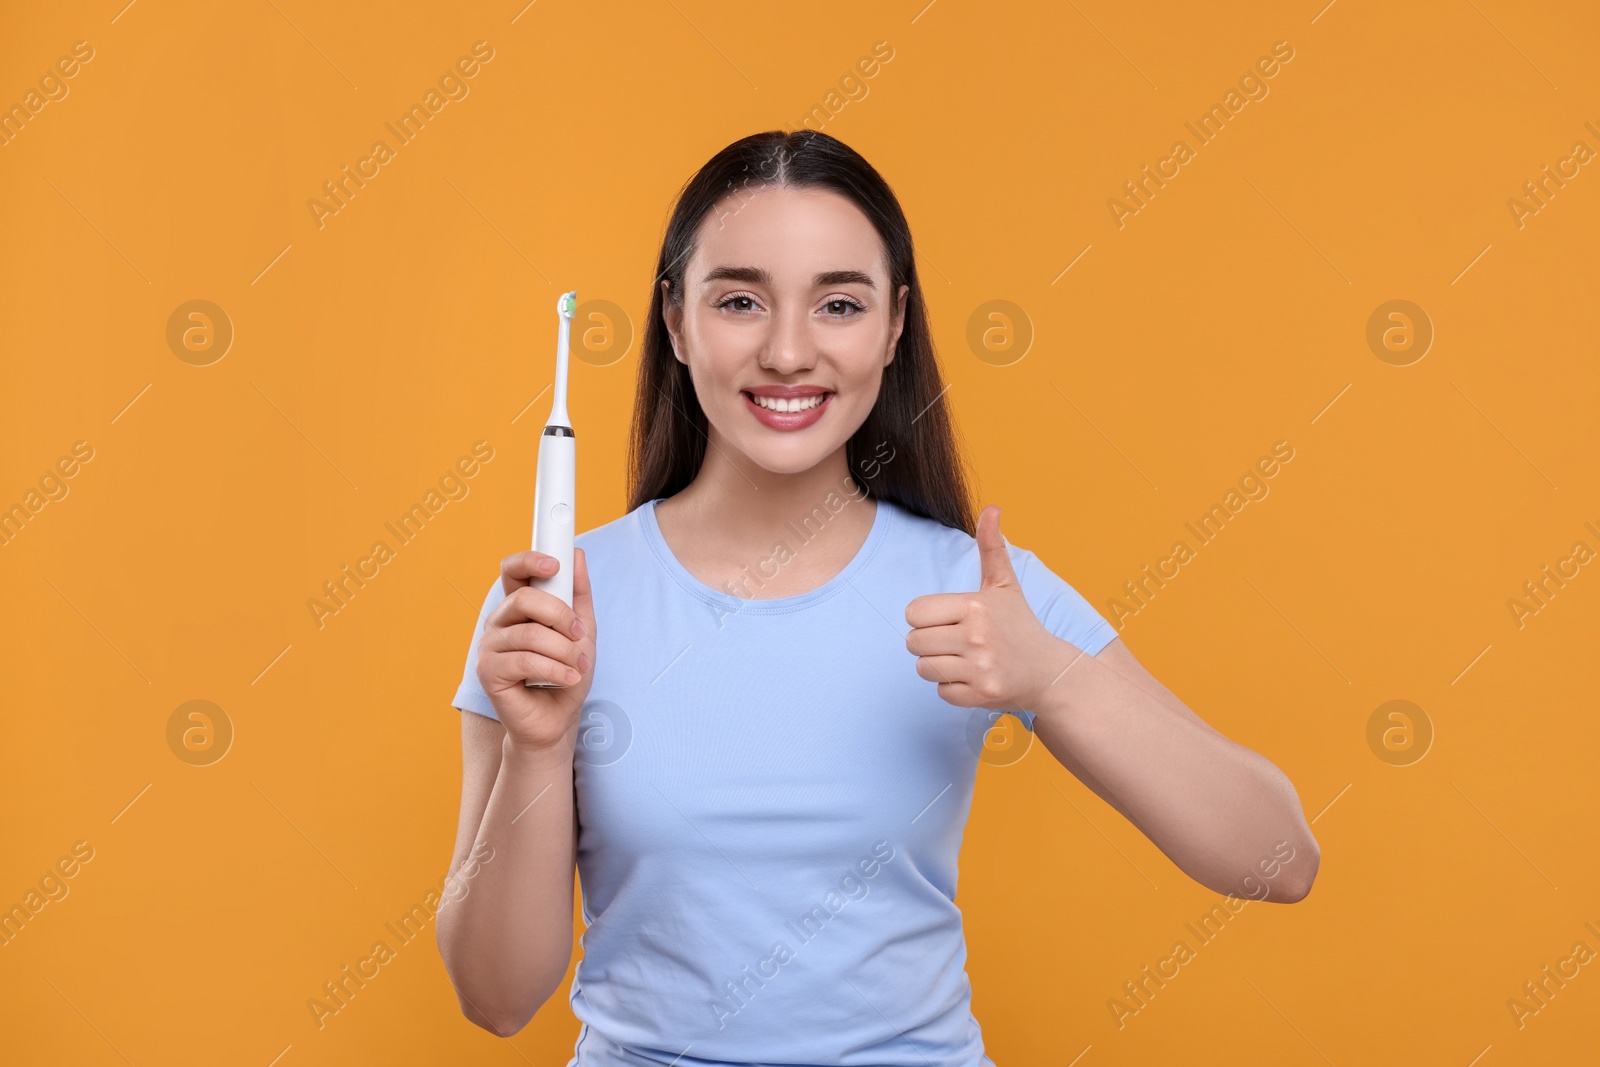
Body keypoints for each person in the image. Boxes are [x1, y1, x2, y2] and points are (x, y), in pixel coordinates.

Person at [435, 129, 1320, 1065]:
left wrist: (1053, 677)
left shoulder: (979, 592)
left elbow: (1280, 858)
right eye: (739, 299)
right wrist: (538, 749)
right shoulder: (555, 609)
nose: (787, 350)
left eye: (839, 304)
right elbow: (495, 998)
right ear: (675, 321)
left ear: (895, 326)